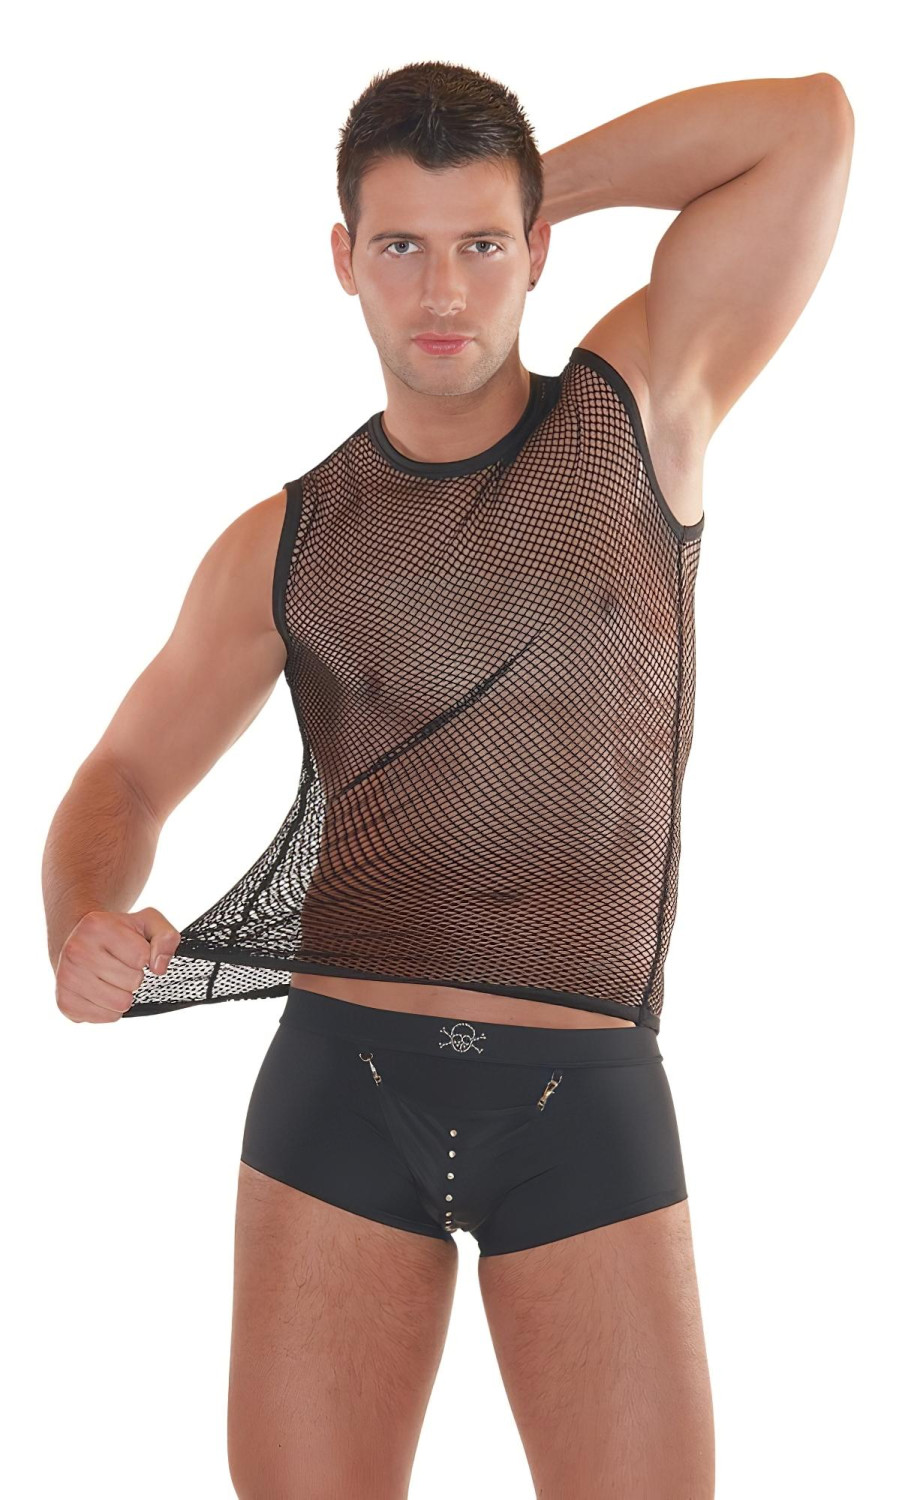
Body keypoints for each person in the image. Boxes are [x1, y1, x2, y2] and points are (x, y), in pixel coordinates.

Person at [43, 60, 854, 1500]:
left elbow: (809, 126)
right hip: (339, 1091)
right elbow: (125, 770)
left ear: (536, 250)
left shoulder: (637, 414)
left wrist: (536, 188)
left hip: (580, 1094)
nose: (442, 291)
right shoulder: (286, 539)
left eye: (481, 244)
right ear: (342, 260)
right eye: (400, 246)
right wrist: (82, 919)